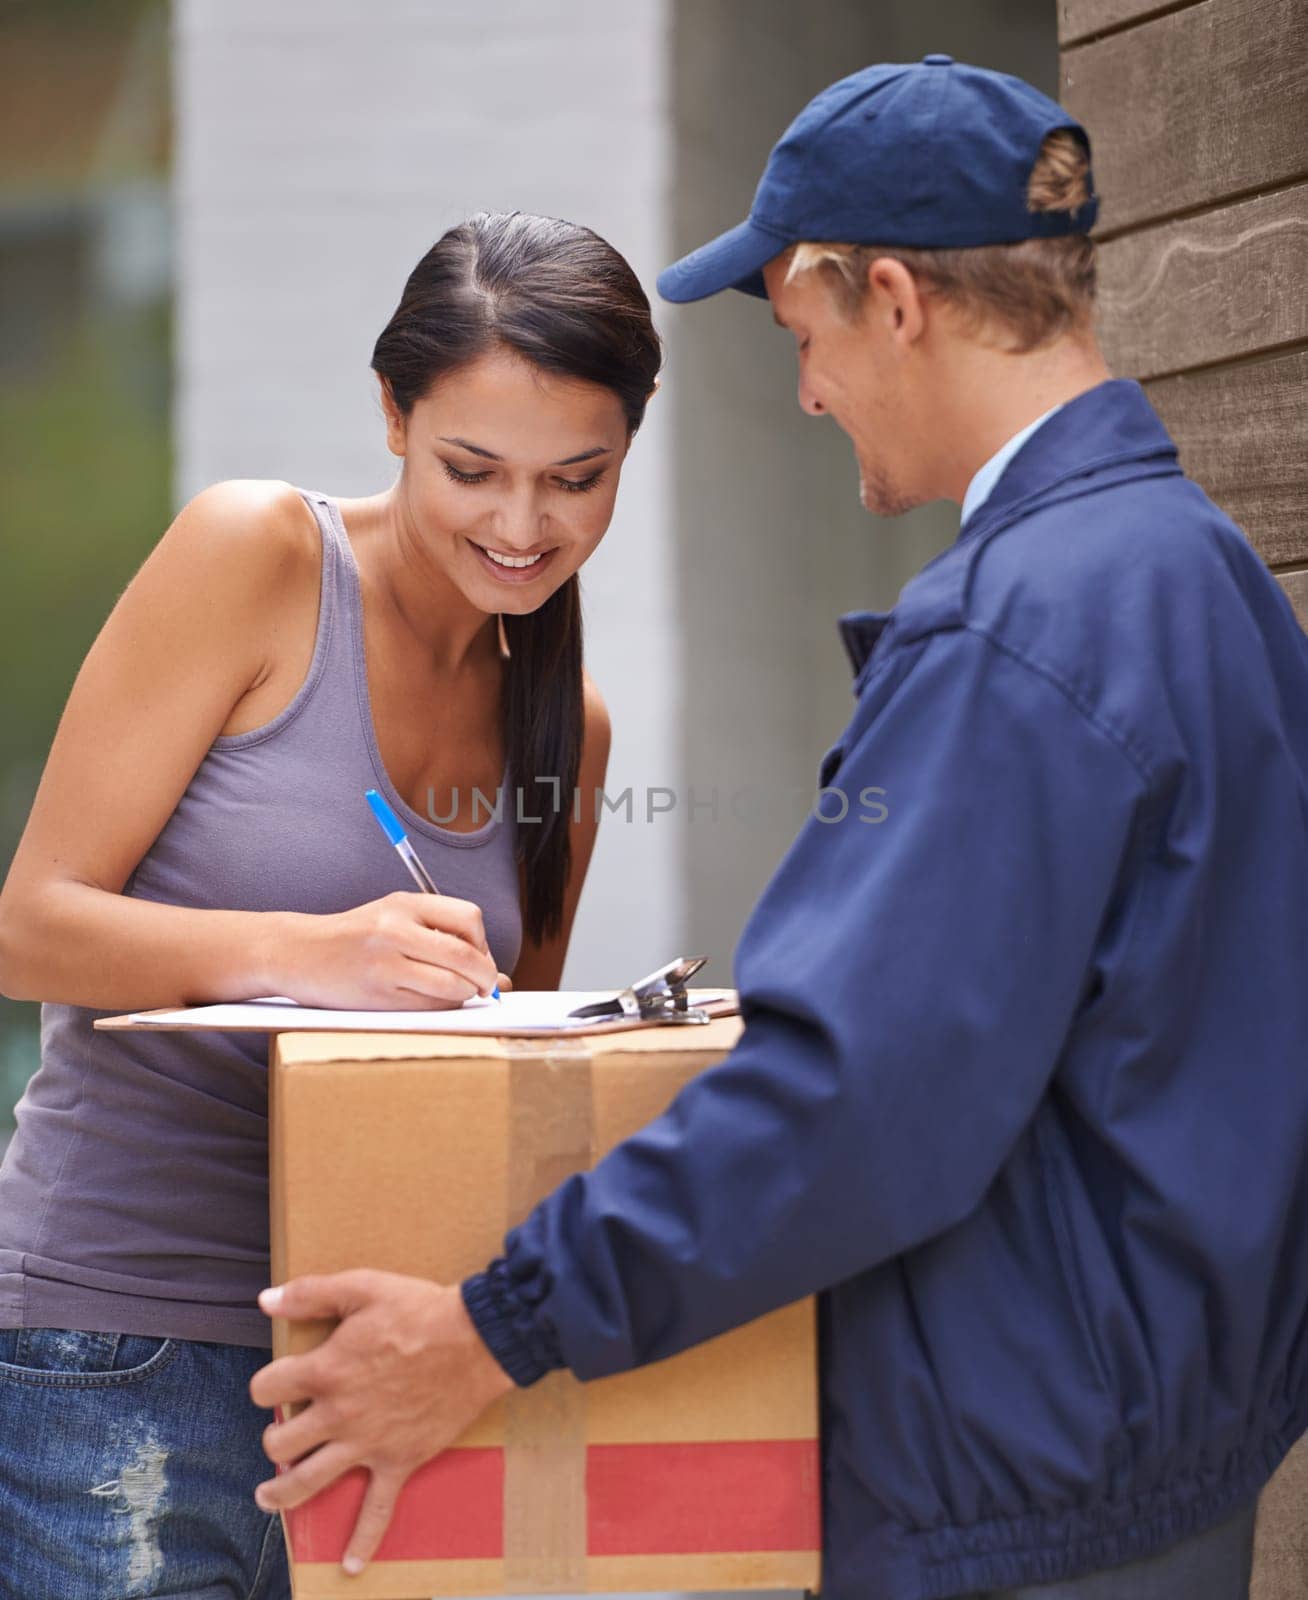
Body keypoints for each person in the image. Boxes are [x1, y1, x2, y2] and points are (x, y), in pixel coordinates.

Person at [250, 58, 1308, 1600]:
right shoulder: (1197, 573)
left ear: (891, 298)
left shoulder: (1016, 629)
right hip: (1169, 1458)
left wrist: (491, 1329)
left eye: (802, 337)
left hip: (1021, 1502)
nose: (807, 393)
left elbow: (853, 1102)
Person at [0, 210, 661, 1598]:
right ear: (390, 412)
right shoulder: (257, 557)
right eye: (473, 469)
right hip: (117, 1354)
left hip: (380, 1382)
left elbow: (490, 1089)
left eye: (577, 480)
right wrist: (312, 956)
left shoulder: (571, 733)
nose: (524, 527)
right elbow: (31, 924)